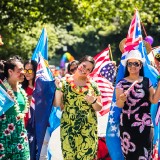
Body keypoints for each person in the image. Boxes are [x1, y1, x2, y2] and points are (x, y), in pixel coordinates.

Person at [53, 55, 102, 160]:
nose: (84, 70)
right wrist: (58, 89)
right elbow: (57, 104)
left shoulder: (93, 85)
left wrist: (93, 101)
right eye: (83, 66)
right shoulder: (64, 82)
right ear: (79, 64)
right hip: (69, 128)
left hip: (88, 129)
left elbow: (99, 107)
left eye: (88, 69)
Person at [116, 50, 160, 160]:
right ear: (127, 66)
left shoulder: (147, 81)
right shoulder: (121, 83)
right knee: (130, 155)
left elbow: (154, 100)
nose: (132, 66)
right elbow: (119, 105)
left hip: (144, 124)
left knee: (146, 154)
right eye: (129, 64)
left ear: (140, 65)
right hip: (127, 125)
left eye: (136, 63)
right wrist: (122, 99)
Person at [0, 56, 30, 159]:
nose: (23, 72)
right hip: (3, 136)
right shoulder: (2, 89)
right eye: (20, 70)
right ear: (10, 71)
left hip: (20, 136)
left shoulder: (21, 90)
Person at [22, 59, 37, 127]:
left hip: (37, 123)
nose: (27, 73)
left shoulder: (40, 88)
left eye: (30, 70)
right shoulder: (20, 87)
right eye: (25, 70)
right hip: (24, 123)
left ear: (35, 71)